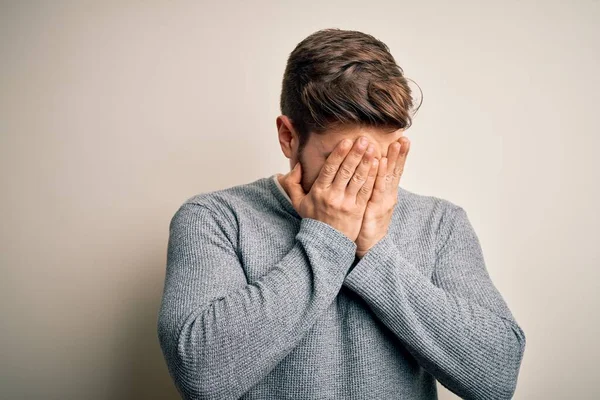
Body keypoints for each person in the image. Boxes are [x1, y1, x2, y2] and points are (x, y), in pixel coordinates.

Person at [157, 28, 526, 400]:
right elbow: (201, 377)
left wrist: (375, 251)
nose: (363, 179)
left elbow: (496, 378)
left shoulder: (440, 223)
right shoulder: (215, 218)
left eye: (380, 158)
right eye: (343, 159)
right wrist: (326, 239)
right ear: (288, 137)